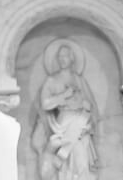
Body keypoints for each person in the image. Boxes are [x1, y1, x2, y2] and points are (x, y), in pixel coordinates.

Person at [34, 40, 98, 180]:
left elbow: (91, 106)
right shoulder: (51, 80)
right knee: (64, 164)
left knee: (82, 162)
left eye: (65, 56)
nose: (62, 59)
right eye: (60, 57)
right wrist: (63, 96)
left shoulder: (79, 80)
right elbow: (45, 104)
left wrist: (84, 105)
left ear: (72, 58)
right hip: (62, 125)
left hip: (81, 126)